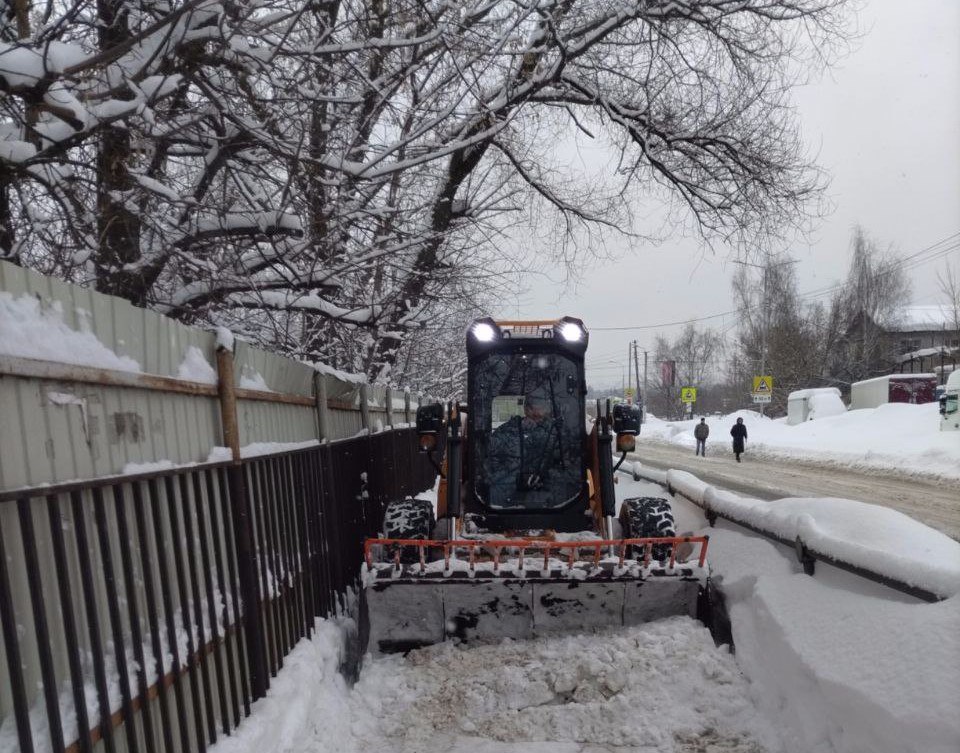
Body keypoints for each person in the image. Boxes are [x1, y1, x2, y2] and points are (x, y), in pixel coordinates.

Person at [486, 395, 557, 498]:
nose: (537, 412)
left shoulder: (555, 434)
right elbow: (491, 463)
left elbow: (565, 466)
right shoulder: (505, 432)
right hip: (507, 493)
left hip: (546, 496)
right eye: (532, 407)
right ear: (525, 409)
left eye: (542, 406)